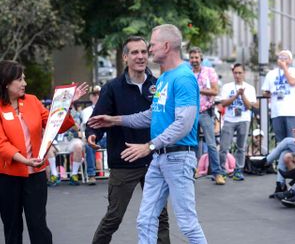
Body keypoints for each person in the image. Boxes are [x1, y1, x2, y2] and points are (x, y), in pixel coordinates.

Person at [88, 24, 207, 244]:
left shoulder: (183, 78)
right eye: (139, 50)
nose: (148, 51)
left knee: (187, 224)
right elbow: (151, 115)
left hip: (178, 158)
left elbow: (184, 123)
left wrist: (149, 146)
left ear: (166, 45)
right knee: (146, 221)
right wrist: (114, 120)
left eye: (151, 45)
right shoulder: (163, 79)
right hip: (159, 159)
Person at [86, 36, 170, 244]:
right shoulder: (112, 88)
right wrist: (92, 134)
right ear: (125, 57)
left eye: (143, 52)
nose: (140, 57)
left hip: (154, 160)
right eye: (134, 52)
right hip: (124, 162)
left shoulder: (159, 85)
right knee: (114, 217)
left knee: (161, 217)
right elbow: (98, 119)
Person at [0, 60, 88, 244]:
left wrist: (67, 105)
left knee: (38, 225)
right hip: (8, 176)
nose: (25, 83)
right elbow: (2, 144)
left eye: (24, 79)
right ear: (6, 82)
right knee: (12, 227)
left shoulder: (32, 101)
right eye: (19, 79)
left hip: (36, 174)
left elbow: (56, 126)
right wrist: (24, 160)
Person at [189, 46, 225, 185]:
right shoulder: (187, 73)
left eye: (196, 57)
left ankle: (217, 173)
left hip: (205, 111)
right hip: (191, 112)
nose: (194, 60)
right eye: (192, 58)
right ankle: (194, 170)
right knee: (193, 144)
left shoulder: (209, 71)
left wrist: (199, 90)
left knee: (210, 144)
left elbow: (215, 91)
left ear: (201, 59)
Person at [219, 63, 257, 181]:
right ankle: (222, 171)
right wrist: (236, 95)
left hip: (243, 120)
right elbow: (224, 104)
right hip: (229, 120)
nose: (237, 75)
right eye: (235, 73)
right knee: (224, 147)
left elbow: (249, 106)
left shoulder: (250, 88)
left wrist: (242, 94)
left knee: (241, 147)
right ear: (233, 73)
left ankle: (238, 170)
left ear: (244, 73)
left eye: (240, 73)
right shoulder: (227, 86)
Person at [262, 50, 295, 143]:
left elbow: (292, 82)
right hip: (277, 112)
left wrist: (284, 68)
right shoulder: (271, 74)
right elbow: (265, 91)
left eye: (285, 58)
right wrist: (271, 93)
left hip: (292, 113)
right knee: (280, 141)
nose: (282, 60)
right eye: (280, 58)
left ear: (290, 61)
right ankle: (282, 157)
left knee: (293, 141)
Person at [81, 86, 101, 185]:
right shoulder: (86, 111)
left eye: (98, 94)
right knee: (89, 146)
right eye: (94, 94)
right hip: (94, 136)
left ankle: (118, 172)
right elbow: (87, 127)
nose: (96, 97)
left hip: (108, 137)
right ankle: (91, 175)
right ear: (90, 97)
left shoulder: (109, 108)